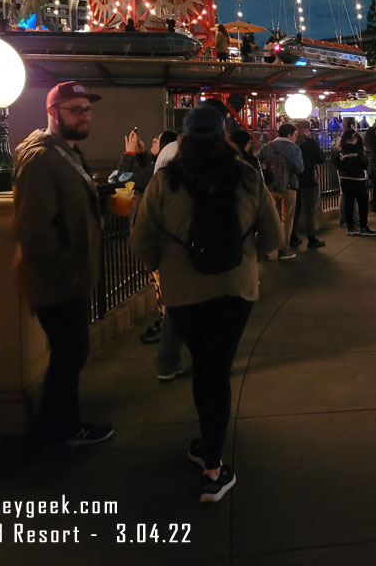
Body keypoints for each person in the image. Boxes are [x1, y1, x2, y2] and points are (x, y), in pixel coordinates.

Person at [130, 107, 282, 503]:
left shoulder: (165, 181)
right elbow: (271, 237)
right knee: (217, 369)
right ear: (223, 137)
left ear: (183, 139)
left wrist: (164, 264)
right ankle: (213, 463)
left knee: (204, 366)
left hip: (184, 294)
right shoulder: (247, 176)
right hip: (236, 290)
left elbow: (141, 241)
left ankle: (210, 460)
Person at [13, 81, 113, 447]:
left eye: (87, 109)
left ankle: (57, 424)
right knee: (69, 353)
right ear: (52, 113)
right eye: (76, 110)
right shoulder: (42, 159)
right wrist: (68, 269)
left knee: (71, 352)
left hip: (69, 278)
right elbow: (35, 230)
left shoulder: (66, 152)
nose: (84, 116)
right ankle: (60, 429)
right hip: (57, 281)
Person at [257, 123, 304, 259]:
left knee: (271, 219)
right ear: (289, 135)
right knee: (286, 221)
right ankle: (283, 250)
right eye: (295, 135)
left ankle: (265, 249)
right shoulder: (294, 148)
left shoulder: (268, 146)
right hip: (289, 187)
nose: (296, 138)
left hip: (270, 188)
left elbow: (258, 162)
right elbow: (300, 169)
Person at [333, 128, 376, 235]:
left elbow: (336, 163)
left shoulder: (340, 150)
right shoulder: (357, 149)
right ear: (353, 138)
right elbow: (364, 163)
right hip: (357, 179)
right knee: (362, 203)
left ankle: (350, 228)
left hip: (344, 179)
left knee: (349, 202)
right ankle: (363, 226)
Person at [292, 120, 326, 249]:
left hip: (294, 181)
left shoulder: (293, 143)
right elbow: (321, 159)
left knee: (295, 210)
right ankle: (311, 238)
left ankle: (293, 237)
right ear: (307, 129)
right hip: (309, 180)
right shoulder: (311, 143)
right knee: (309, 211)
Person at [112, 130, 178, 194]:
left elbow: (121, 181)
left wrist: (129, 153)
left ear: (165, 145)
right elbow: (151, 167)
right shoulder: (169, 166)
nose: (153, 140)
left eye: (157, 138)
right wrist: (142, 153)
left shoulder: (158, 172)